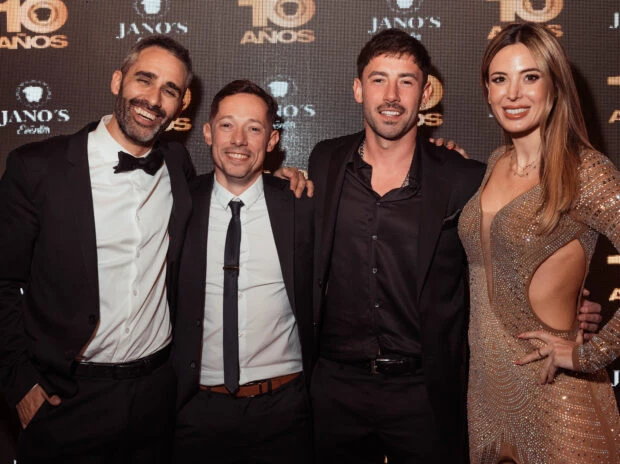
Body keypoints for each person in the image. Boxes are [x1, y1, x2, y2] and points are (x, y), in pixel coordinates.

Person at [0, 35, 195, 462]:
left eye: (169, 90)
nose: (153, 99)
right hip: (66, 397)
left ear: (181, 105)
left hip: (156, 395)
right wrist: (18, 381)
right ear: (117, 81)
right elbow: (4, 282)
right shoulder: (37, 168)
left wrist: (279, 179)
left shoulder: (177, 166)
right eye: (144, 79)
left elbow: (228, 190)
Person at [307, 28, 486, 463]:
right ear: (358, 89)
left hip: (423, 391)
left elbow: (502, 260)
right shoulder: (324, 161)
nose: (391, 95)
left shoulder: (463, 178)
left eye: (406, 81)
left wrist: (561, 304)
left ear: (425, 94)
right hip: (335, 387)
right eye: (379, 79)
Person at [459, 22, 620, 463]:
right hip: (487, 392)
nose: (513, 93)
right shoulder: (496, 162)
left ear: (555, 86)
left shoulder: (585, 172)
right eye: (499, 79)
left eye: (530, 77)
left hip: (556, 392)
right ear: (488, 92)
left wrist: (591, 354)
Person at [173, 80, 314, 464]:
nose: (238, 140)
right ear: (207, 133)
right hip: (196, 410)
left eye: (253, 128)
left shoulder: (300, 206)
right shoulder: (178, 203)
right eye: (227, 125)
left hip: (285, 410)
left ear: (272, 140)